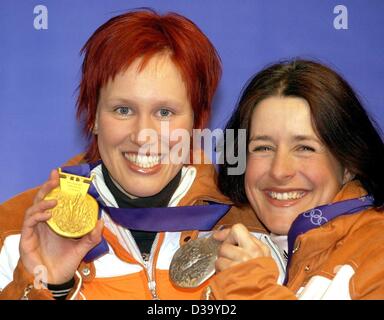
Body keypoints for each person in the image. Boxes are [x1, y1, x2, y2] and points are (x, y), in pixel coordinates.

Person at [0, 9, 266, 300]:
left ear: (196, 122)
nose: (142, 136)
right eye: (123, 110)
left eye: (165, 112)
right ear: (93, 117)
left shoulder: (249, 229)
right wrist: (49, 286)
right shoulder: (15, 233)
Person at [207, 59, 384, 299]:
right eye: (263, 148)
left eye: (305, 148)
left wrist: (253, 289)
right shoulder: (228, 246)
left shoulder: (377, 251)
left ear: (348, 164)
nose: (280, 171)